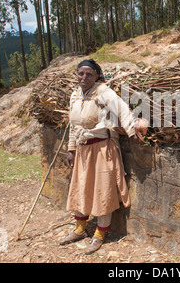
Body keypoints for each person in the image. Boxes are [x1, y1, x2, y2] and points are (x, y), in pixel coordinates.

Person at [59, 59, 143, 254]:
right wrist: (71, 149)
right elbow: (74, 126)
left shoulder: (104, 92)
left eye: (89, 74)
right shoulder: (76, 95)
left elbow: (122, 110)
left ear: (97, 75)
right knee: (81, 188)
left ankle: (99, 234)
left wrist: (132, 132)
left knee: (103, 190)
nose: (84, 77)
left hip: (103, 149)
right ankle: (79, 229)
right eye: (81, 73)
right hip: (83, 151)